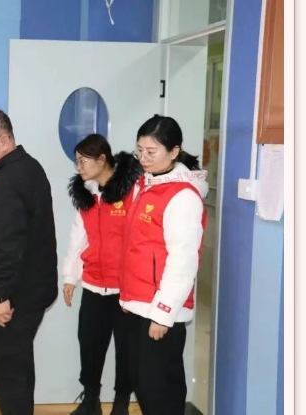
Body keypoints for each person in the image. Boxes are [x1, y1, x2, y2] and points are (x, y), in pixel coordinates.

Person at [0, 108, 58, 415]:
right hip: (29, 293)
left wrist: (0, 296)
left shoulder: (7, 181)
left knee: (7, 376)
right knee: (17, 370)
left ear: (3, 141)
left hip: (12, 300)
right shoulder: (28, 167)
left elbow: (6, 245)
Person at [119, 115, 208, 415]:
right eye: (139, 151)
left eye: (151, 152)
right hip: (140, 305)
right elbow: (138, 248)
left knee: (158, 390)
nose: (143, 158)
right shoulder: (146, 185)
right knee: (144, 383)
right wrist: (128, 298)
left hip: (160, 311)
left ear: (174, 151)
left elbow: (183, 260)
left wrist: (163, 313)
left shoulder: (182, 196)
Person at [62, 134, 140, 415]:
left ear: (102, 159)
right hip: (94, 285)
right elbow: (78, 238)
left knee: (126, 349)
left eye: (83, 161)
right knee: (90, 345)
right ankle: (91, 401)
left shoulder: (131, 192)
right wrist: (70, 277)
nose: (78, 167)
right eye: (77, 162)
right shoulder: (87, 195)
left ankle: (121, 404)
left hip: (126, 291)